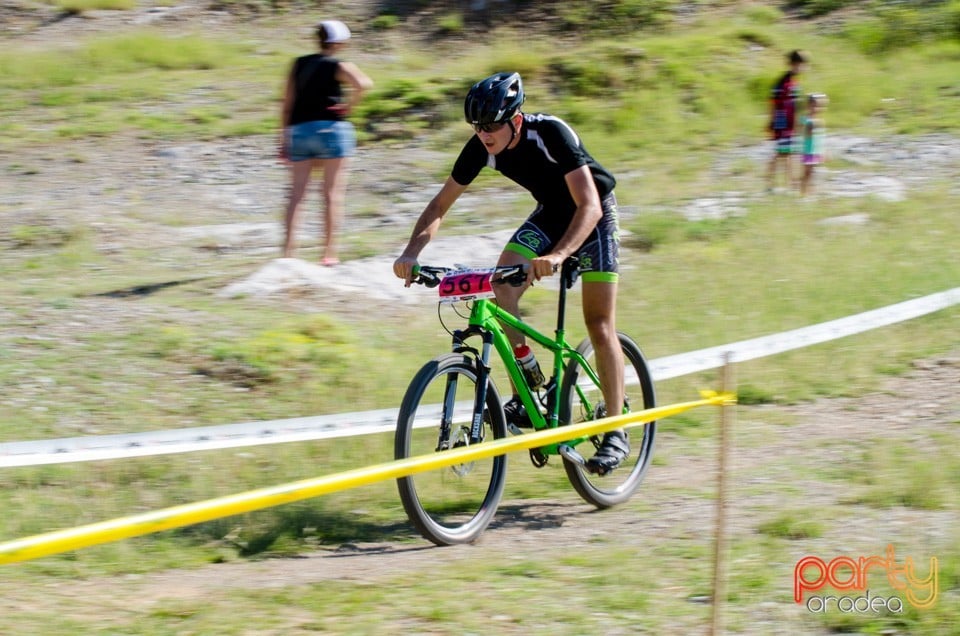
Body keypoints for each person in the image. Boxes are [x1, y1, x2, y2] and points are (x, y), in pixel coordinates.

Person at [393, 72, 630, 475]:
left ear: (514, 121)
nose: (483, 134)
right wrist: (411, 253)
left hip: (593, 216)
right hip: (552, 214)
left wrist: (557, 256)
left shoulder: (551, 133)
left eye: (490, 126)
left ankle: (617, 429)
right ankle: (531, 383)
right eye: (477, 126)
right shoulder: (480, 148)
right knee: (502, 284)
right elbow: (439, 205)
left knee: (598, 323)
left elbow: (588, 206)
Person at [279, 19, 373, 265]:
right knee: (331, 194)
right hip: (332, 131)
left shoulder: (298, 65)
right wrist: (347, 107)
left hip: (299, 131)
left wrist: (283, 137)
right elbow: (363, 84)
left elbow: (287, 103)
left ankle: (288, 254)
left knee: (296, 195)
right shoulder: (339, 64)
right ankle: (329, 254)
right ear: (339, 42)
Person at [766, 50, 807, 193]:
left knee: (787, 153)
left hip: (790, 123)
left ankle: (790, 184)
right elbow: (773, 102)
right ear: (794, 64)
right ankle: (772, 182)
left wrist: (799, 122)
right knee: (782, 153)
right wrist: (772, 122)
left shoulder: (794, 82)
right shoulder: (783, 82)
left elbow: (796, 106)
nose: (803, 68)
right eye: (801, 65)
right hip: (782, 123)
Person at [799, 93, 827, 197]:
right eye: (814, 105)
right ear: (808, 106)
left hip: (817, 149)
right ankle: (803, 192)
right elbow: (803, 132)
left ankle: (811, 191)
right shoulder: (806, 119)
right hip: (808, 150)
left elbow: (821, 136)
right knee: (807, 172)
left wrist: (823, 151)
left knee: (813, 172)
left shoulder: (820, 121)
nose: (816, 108)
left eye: (819, 106)